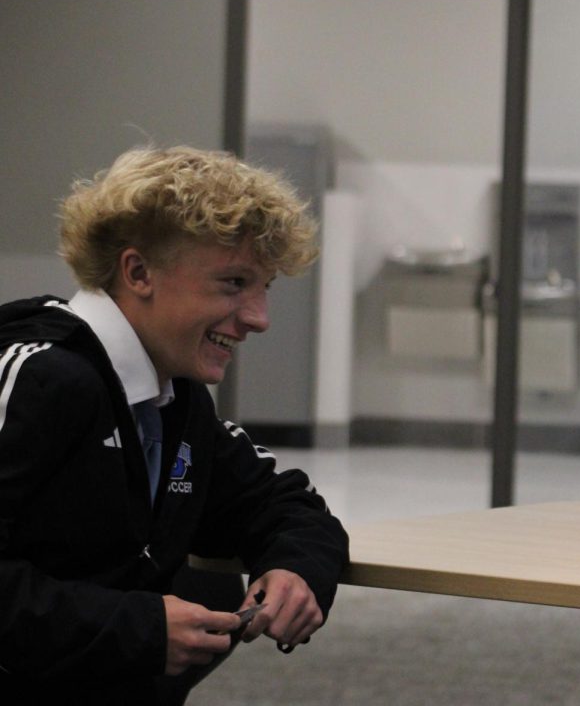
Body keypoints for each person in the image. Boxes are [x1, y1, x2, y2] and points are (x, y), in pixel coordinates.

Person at [0, 146, 350, 703]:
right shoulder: (39, 378)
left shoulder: (173, 396)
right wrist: (135, 628)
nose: (260, 318)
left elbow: (281, 503)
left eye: (265, 288)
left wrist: (295, 568)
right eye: (234, 284)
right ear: (138, 272)